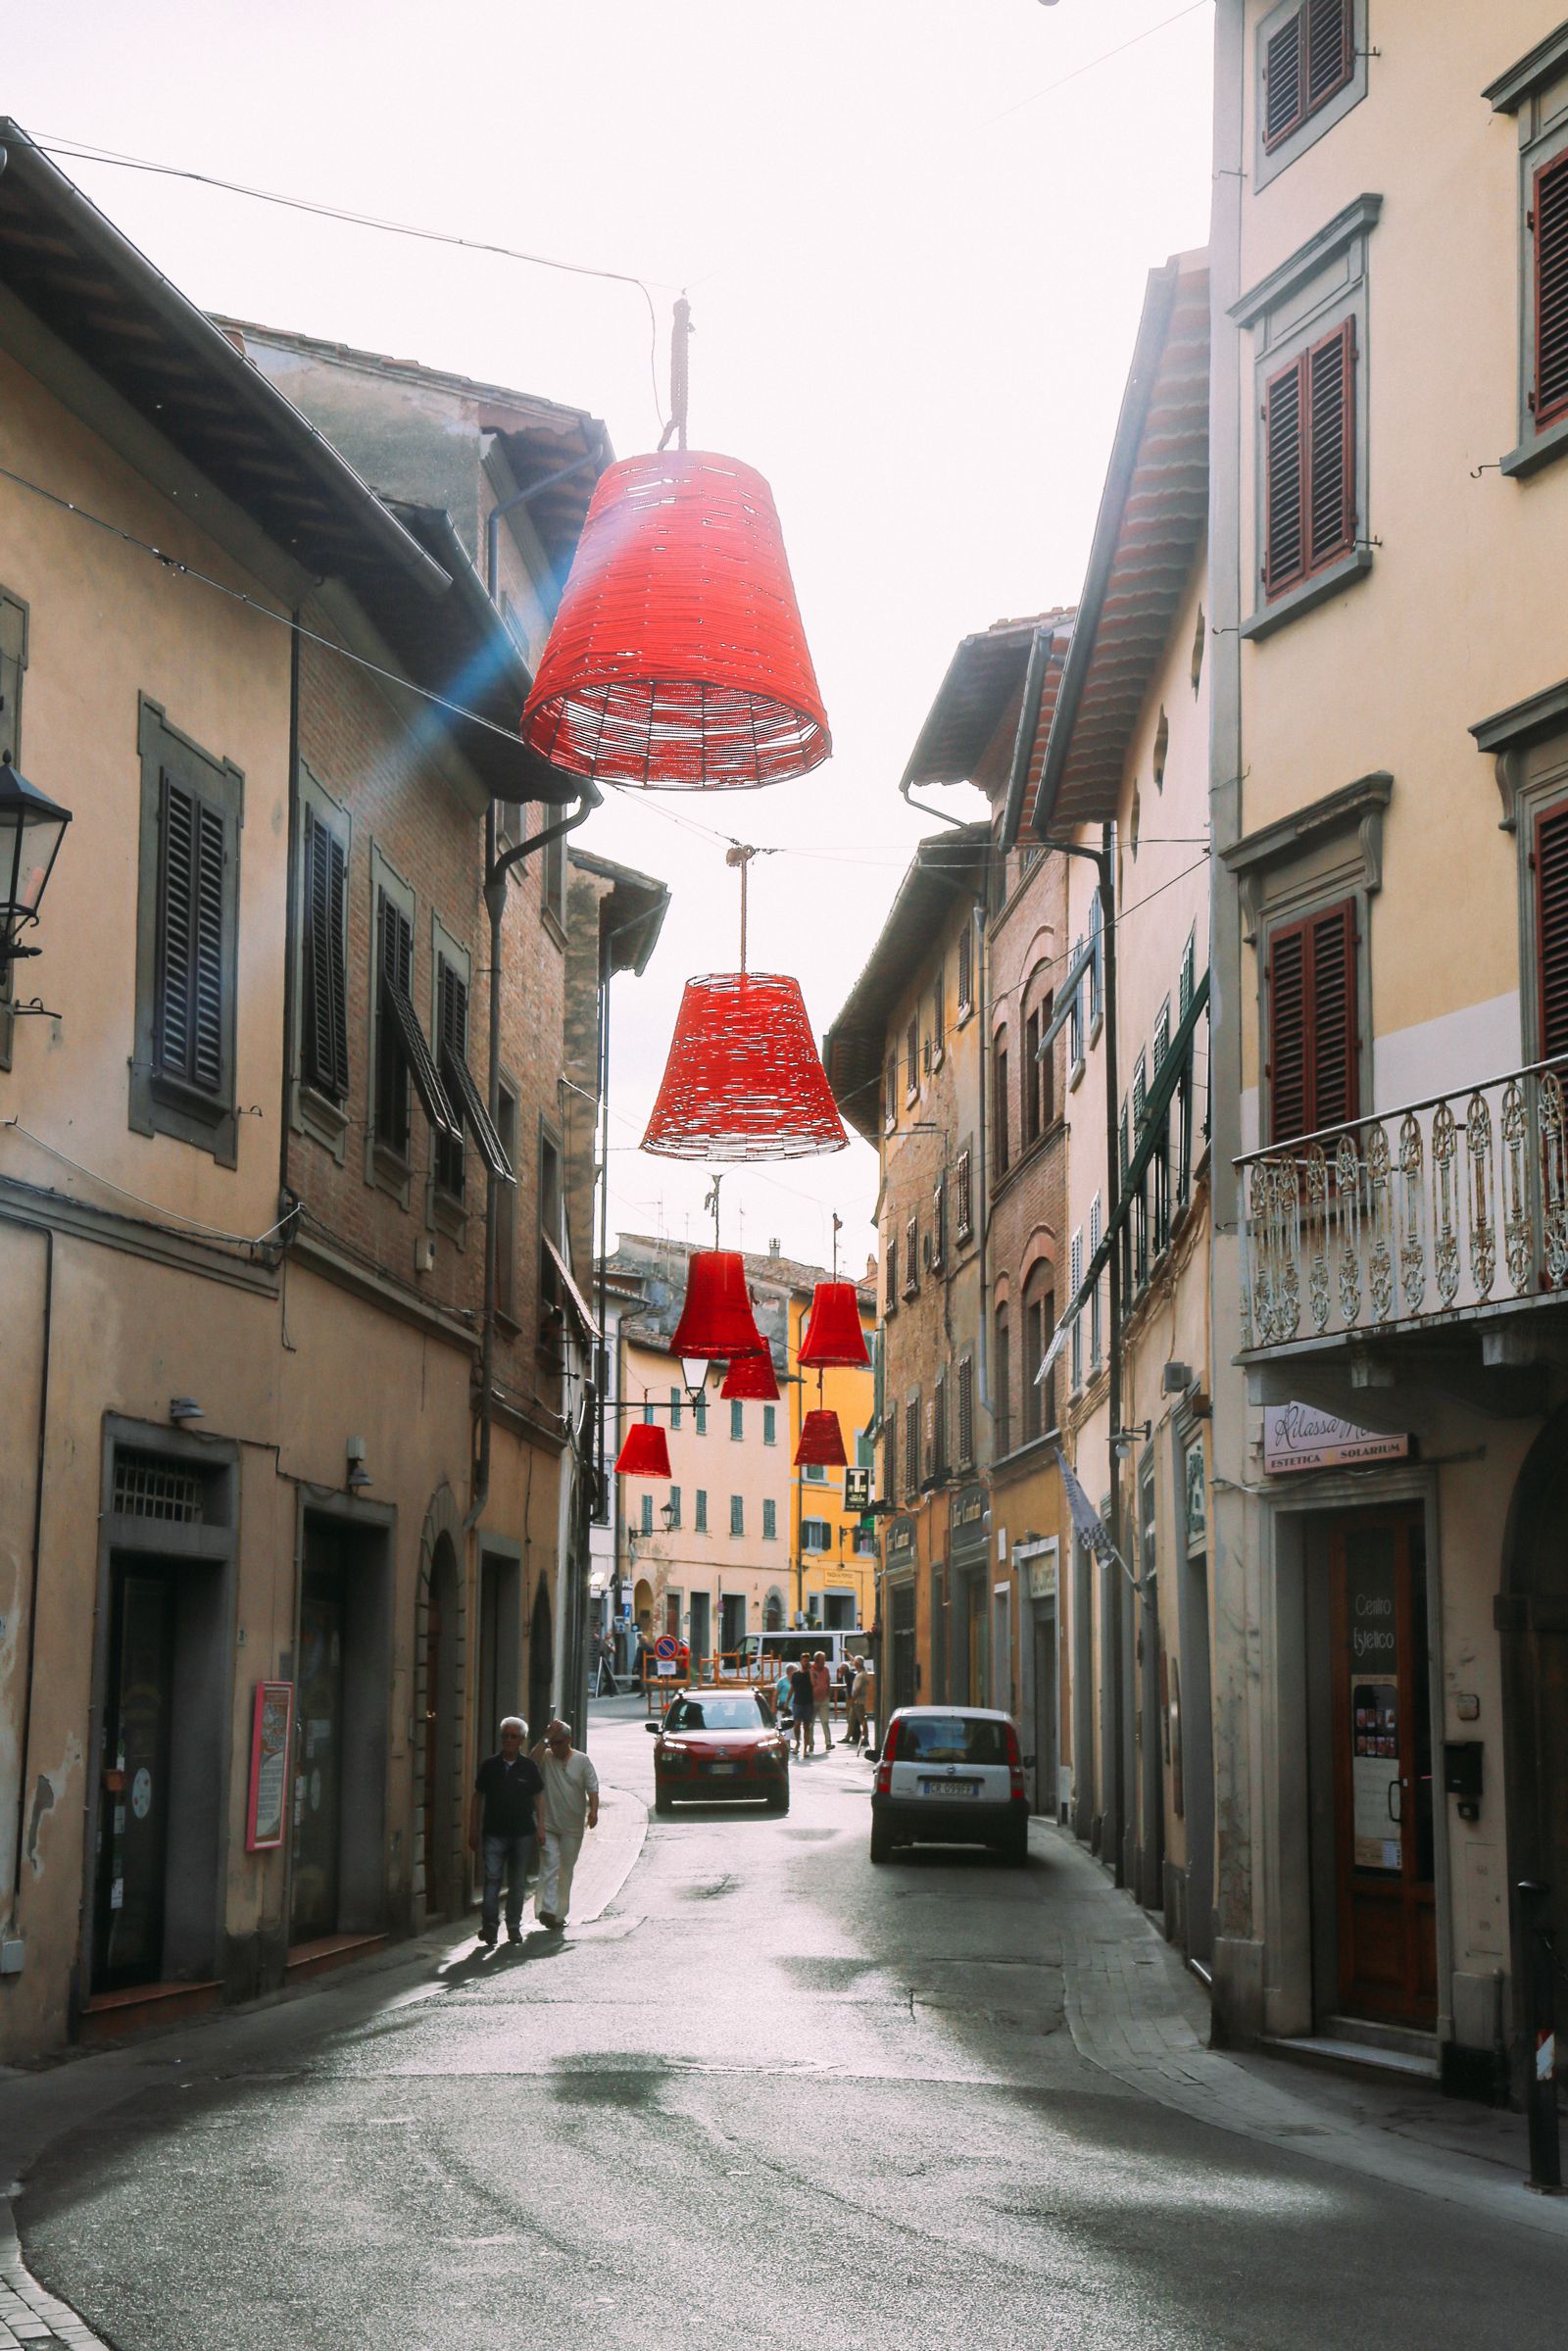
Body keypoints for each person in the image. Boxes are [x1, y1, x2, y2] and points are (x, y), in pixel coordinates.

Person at [468, 1715, 545, 1947]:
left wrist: (541, 1827)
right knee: (492, 1880)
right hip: (493, 1832)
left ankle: (513, 1927)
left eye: (513, 1736)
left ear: (521, 1740)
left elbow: (539, 1798)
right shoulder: (489, 1766)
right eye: (505, 1736)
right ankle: (490, 1928)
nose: (509, 1740)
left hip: (522, 1833)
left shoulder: (529, 1767)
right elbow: (477, 1797)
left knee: (518, 1883)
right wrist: (473, 1828)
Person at [533, 1718, 600, 1931]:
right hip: (549, 1823)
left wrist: (594, 1811)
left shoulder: (582, 1760)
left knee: (566, 1870)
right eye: (553, 1743)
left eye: (559, 1742)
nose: (555, 1747)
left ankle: (560, 1913)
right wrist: (545, 1738)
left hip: (572, 1826)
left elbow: (592, 1787)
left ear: (569, 1740)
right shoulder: (546, 1756)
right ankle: (548, 1910)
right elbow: (529, 1762)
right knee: (550, 1865)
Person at [788, 1658, 813, 1758]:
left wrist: (811, 1671)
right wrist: (787, 1701)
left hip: (808, 1703)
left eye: (807, 1661)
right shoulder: (796, 1675)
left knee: (806, 1726)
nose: (805, 1663)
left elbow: (813, 1683)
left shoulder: (811, 1674)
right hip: (797, 1702)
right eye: (804, 1661)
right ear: (800, 1662)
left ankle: (805, 1749)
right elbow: (792, 1688)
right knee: (796, 1725)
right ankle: (798, 1743)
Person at [809, 1650, 834, 1752]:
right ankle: (810, 1744)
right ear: (816, 1660)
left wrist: (828, 1694)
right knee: (811, 1723)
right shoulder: (810, 1670)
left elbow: (828, 1682)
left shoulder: (826, 1670)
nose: (824, 1662)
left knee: (825, 1721)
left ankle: (828, 1743)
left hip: (824, 1699)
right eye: (822, 1660)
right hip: (812, 1700)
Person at [846, 1655, 869, 1750]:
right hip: (856, 1701)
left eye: (855, 1663)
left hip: (858, 1701)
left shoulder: (861, 1675)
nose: (853, 1664)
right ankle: (847, 1736)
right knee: (851, 1719)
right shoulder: (861, 1673)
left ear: (857, 1664)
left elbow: (857, 1690)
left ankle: (865, 1738)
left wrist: (852, 1699)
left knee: (862, 1720)